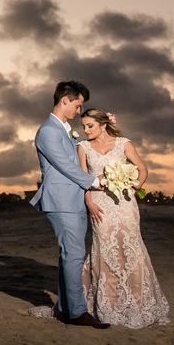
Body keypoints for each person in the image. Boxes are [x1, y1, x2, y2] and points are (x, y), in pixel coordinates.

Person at [78, 108, 170, 328]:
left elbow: (142, 169)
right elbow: (83, 178)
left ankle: (137, 304)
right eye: (84, 127)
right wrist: (89, 203)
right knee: (105, 251)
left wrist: (133, 185)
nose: (86, 130)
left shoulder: (123, 143)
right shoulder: (83, 147)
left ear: (103, 125)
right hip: (100, 206)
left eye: (90, 126)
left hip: (125, 205)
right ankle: (108, 307)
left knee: (130, 250)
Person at [29, 80, 109, 328]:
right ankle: (77, 313)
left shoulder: (65, 130)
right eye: (78, 105)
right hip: (62, 200)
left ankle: (65, 310)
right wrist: (94, 182)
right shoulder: (48, 131)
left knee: (70, 255)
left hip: (74, 200)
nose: (79, 110)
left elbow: (79, 157)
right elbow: (65, 166)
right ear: (65, 100)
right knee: (73, 255)